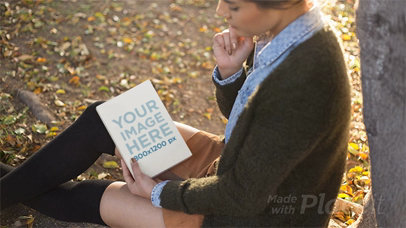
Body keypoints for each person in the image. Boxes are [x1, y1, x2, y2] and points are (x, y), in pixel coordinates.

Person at [0, 0, 351, 227]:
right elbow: (253, 124)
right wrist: (231, 75)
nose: (219, 11)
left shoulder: (308, 77)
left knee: (92, 196)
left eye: (232, 4)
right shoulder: (287, 32)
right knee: (105, 119)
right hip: (233, 164)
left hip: (250, 215)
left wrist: (158, 193)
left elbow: (242, 196)